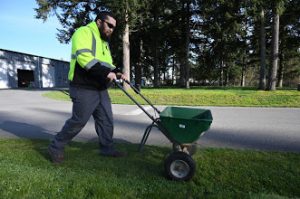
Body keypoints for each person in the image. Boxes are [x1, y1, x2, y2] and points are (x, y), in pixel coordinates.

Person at [48, 11, 127, 164]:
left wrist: (117, 72)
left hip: (99, 88)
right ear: (99, 22)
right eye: (109, 25)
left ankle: (107, 148)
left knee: (106, 120)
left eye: (114, 27)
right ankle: (55, 147)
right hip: (83, 86)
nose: (111, 29)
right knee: (79, 121)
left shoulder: (104, 41)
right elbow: (85, 59)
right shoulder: (83, 32)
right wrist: (107, 73)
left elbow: (107, 63)